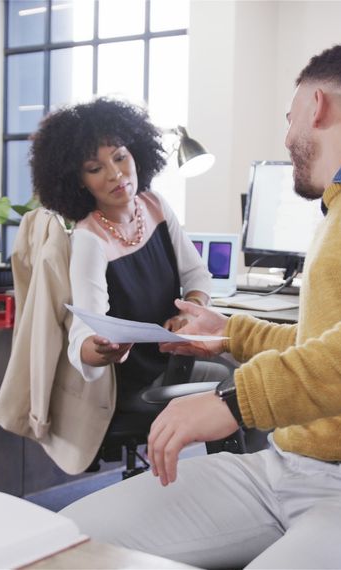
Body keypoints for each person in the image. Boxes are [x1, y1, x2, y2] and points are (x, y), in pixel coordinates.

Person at [60, 43, 341, 568]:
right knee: (64, 542)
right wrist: (230, 333)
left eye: (289, 119)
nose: (286, 137)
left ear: (316, 106)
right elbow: (331, 344)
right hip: (286, 468)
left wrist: (233, 405)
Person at [30, 97, 230, 413]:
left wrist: (188, 313)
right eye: (95, 169)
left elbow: (197, 276)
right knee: (243, 383)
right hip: (132, 383)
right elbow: (84, 338)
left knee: (253, 368)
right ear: (78, 182)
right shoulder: (89, 239)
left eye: (120, 157)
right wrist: (100, 349)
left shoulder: (154, 205)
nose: (115, 174)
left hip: (175, 361)